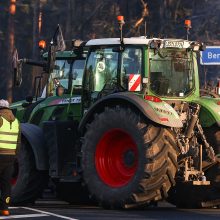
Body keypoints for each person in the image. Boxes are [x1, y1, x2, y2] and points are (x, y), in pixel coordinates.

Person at [0, 99, 20, 216]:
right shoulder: (16, 121)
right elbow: (19, 142)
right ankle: (5, 208)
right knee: (6, 183)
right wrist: (15, 155)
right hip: (10, 156)